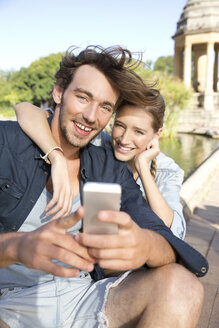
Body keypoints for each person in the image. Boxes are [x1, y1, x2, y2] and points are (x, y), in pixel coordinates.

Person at [0, 45, 207, 328]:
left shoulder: (109, 165)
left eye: (105, 107)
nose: (91, 116)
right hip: (10, 302)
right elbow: (26, 111)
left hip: (84, 296)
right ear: (59, 91)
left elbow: (164, 236)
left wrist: (145, 246)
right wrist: (16, 246)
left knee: (183, 287)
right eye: (83, 97)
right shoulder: (7, 144)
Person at [15, 94, 186, 240]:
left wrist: (142, 167)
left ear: (157, 135)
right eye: (120, 126)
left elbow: (172, 236)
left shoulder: (168, 171)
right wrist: (56, 157)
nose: (124, 139)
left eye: (138, 132)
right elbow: (25, 109)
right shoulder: (99, 143)